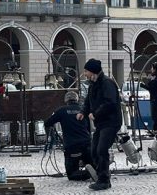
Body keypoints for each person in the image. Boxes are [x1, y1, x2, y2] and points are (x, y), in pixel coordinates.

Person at [77, 58, 121, 191]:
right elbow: (88, 102)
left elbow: (110, 103)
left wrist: (96, 113)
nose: (85, 74)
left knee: (101, 149)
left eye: (86, 71)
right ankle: (102, 173)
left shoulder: (107, 83)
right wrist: (83, 112)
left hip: (111, 122)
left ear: (93, 71)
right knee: (94, 149)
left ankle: (104, 180)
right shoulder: (92, 85)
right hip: (101, 123)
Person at [44, 91, 96, 181]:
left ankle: (87, 174)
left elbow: (47, 123)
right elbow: (89, 127)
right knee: (92, 162)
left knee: (72, 174)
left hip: (72, 146)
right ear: (77, 99)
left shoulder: (61, 111)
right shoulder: (83, 109)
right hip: (87, 143)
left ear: (66, 100)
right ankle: (98, 171)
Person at [141, 62, 157, 134]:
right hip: (155, 99)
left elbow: (151, 88)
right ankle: (156, 129)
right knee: (155, 115)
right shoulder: (154, 78)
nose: (151, 70)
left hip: (156, 100)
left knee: (156, 115)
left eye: (152, 68)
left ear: (155, 70)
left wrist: (143, 85)